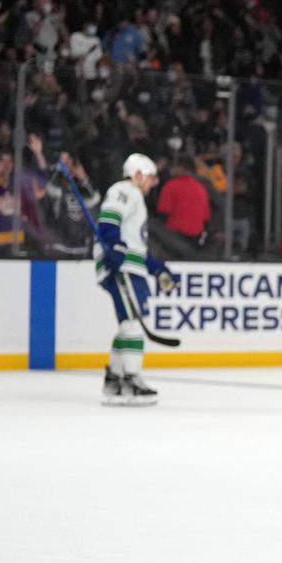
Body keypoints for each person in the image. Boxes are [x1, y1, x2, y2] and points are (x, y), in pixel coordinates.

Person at [94, 153, 176, 406]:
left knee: (127, 324)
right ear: (138, 175)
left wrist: (157, 269)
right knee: (132, 324)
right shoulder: (125, 190)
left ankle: (115, 380)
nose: (154, 183)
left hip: (131, 266)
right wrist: (114, 248)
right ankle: (131, 380)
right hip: (123, 267)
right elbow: (109, 220)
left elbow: (135, 245)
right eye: (151, 177)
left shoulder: (136, 198)